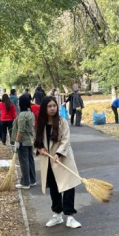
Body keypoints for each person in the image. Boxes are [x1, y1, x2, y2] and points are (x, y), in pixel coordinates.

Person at [33, 96, 82, 228]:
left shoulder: (62, 122)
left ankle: (70, 216)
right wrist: (39, 148)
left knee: (68, 186)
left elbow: (66, 139)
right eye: (49, 106)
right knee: (54, 187)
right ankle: (57, 214)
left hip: (63, 159)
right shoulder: (40, 124)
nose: (52, 108)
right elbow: (36, 140)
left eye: (54, 105)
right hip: (48, 161)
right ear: (44, 108)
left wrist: (59, 153)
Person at [13, 95, 36, 189]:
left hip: (23, 141)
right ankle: (32, 180)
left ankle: (25, 182)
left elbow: (21, 130)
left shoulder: (22, 115)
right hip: (30, 140)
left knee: (24, 161)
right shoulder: (31, 113)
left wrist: (17, 141)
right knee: (30, 160)